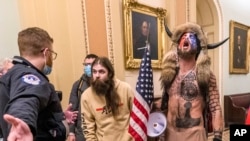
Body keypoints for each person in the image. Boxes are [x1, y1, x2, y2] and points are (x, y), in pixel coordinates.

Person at [0, 27, 78, 141]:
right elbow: (25, 100)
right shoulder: (30, 77)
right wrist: (23, 123)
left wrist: (59, 117)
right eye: (52, 53)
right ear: (46, 52)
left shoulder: (12, 74)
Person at [160, 22, 225, 141]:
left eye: (191, 37)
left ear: (198, 47)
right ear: (178, 45)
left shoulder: (205, 75)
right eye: (183, 37)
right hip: (170, 134)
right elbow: (164, 105)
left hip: (194, 135)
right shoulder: (169, 73)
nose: (186, 38)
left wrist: (218, 136)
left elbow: (215, 108)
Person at [80, 57, 134, 141]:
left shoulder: (125, 88)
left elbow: (136, 117)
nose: (97, 75)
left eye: (101, 72)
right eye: (94, 72)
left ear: (110, 74)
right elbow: (88, 128)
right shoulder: (86, 96)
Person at [68, 53, 98, 141]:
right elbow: (72, 109)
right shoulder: (78, 85)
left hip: (100, 129)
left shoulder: (103, 84)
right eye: (86, 64)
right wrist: (71, 132)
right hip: (82, 131)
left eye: (91, 64)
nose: (88, 67)